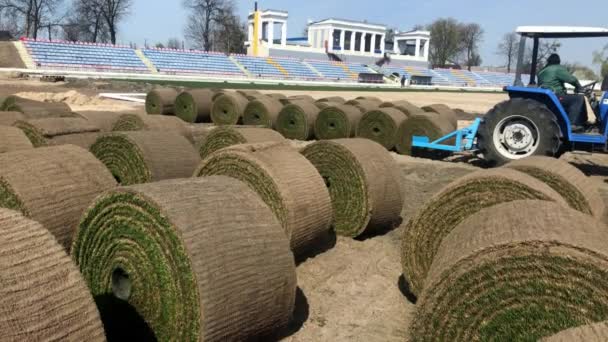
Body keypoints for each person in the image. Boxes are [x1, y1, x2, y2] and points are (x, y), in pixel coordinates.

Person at [538, 53, 587, 129]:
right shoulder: (557, 68)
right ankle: (573, 124)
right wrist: (579, 86)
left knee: (572, 97)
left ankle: (580, 122)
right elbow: (571, 79)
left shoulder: (542, 70)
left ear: (548, 61)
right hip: (555, 96)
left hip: (546, 97)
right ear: (558, 61)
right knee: (578, 98)